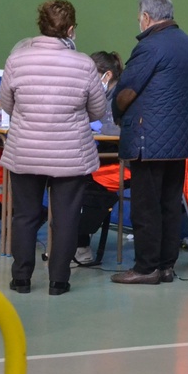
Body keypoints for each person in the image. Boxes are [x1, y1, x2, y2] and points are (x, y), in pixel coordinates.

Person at [0, 0, 106, 296]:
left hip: (25, 150)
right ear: (71, 30)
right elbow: (97, 111)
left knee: (25, 216)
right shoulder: (84, 64)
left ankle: (21, 279)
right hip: (70, 155)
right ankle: (59, 281)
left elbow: (7, 103)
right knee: (67, 217)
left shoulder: (17, 59)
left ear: (40, 26)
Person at [110, 0, 188, 285]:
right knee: (169, 205)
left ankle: (146, 267)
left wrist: (116, 112)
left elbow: (126, 91)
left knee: (146, 206)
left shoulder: (149, 47)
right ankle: (165, 266)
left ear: (146, 17)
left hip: (147, 141)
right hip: (177, 142)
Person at [75, 51, 130, 264]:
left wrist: (95, 126)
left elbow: (120, 130)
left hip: (124, 162)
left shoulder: (123, 95)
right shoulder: (98, 96)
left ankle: (78, 245)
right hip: (101, 158)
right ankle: (70, 241)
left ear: (106, 75)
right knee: (67, 178)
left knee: (87, 185)